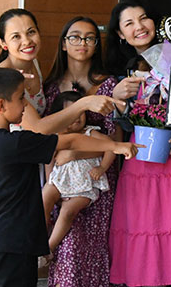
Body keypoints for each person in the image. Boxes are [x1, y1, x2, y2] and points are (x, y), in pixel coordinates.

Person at [0, 67, 138, 287]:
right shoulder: (15, 143)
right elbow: (70, 141)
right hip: (15, 244)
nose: (25, 105)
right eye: (21, 98)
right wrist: (115, 145)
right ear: (1, 105)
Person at [107, 0, 171, 287]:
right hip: (142, 158)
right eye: (129, 23)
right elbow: (121, 125)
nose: (139, 26)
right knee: (144, 227)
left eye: (144, 18)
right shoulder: (122, 73)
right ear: (120, 34)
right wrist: (119, 100)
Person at [43, 16, 127, 287]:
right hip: (60, 176)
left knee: (88, 245)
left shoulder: (109, 84)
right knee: (65, 245)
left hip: (96, 177)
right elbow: (45, 137)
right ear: (64, 44)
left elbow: (115, 135)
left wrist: (76, 154)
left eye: (90, 38)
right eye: (75, 37)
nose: (83, 43)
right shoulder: (51, 86)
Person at [0, 9, 119, 135]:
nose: (26, 41)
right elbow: (37, 128)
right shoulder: (3, 76)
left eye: (31, 32)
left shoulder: (35, 64)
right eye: (16, 36)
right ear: (3, 42)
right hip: (14, 148)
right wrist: (84, 104)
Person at [42, 91, 115, 254]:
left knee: (67, 212)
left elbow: (111, 147)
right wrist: (50, 182)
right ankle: (39, 238)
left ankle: (49, 248)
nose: (77, 118)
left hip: (84, 185)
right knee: (43, 201)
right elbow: (49, 161)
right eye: (71, 113)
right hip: (59, 181)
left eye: (80, 112)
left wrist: (102, 167)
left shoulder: (90, 132)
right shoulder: (56, 137)